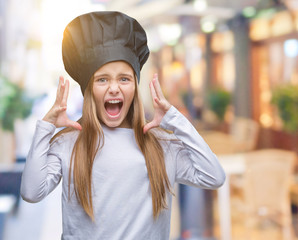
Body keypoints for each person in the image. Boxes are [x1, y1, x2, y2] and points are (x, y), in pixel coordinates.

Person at [20, 11, 225, 240]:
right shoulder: (69, 142)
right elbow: (31, 192)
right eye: (102, 79)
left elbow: (213, 176)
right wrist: (46, 127)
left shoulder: (160, 143)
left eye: (124, 79)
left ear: (135, 88)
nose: (114, 88)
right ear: (89, 90)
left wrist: (175, 121)